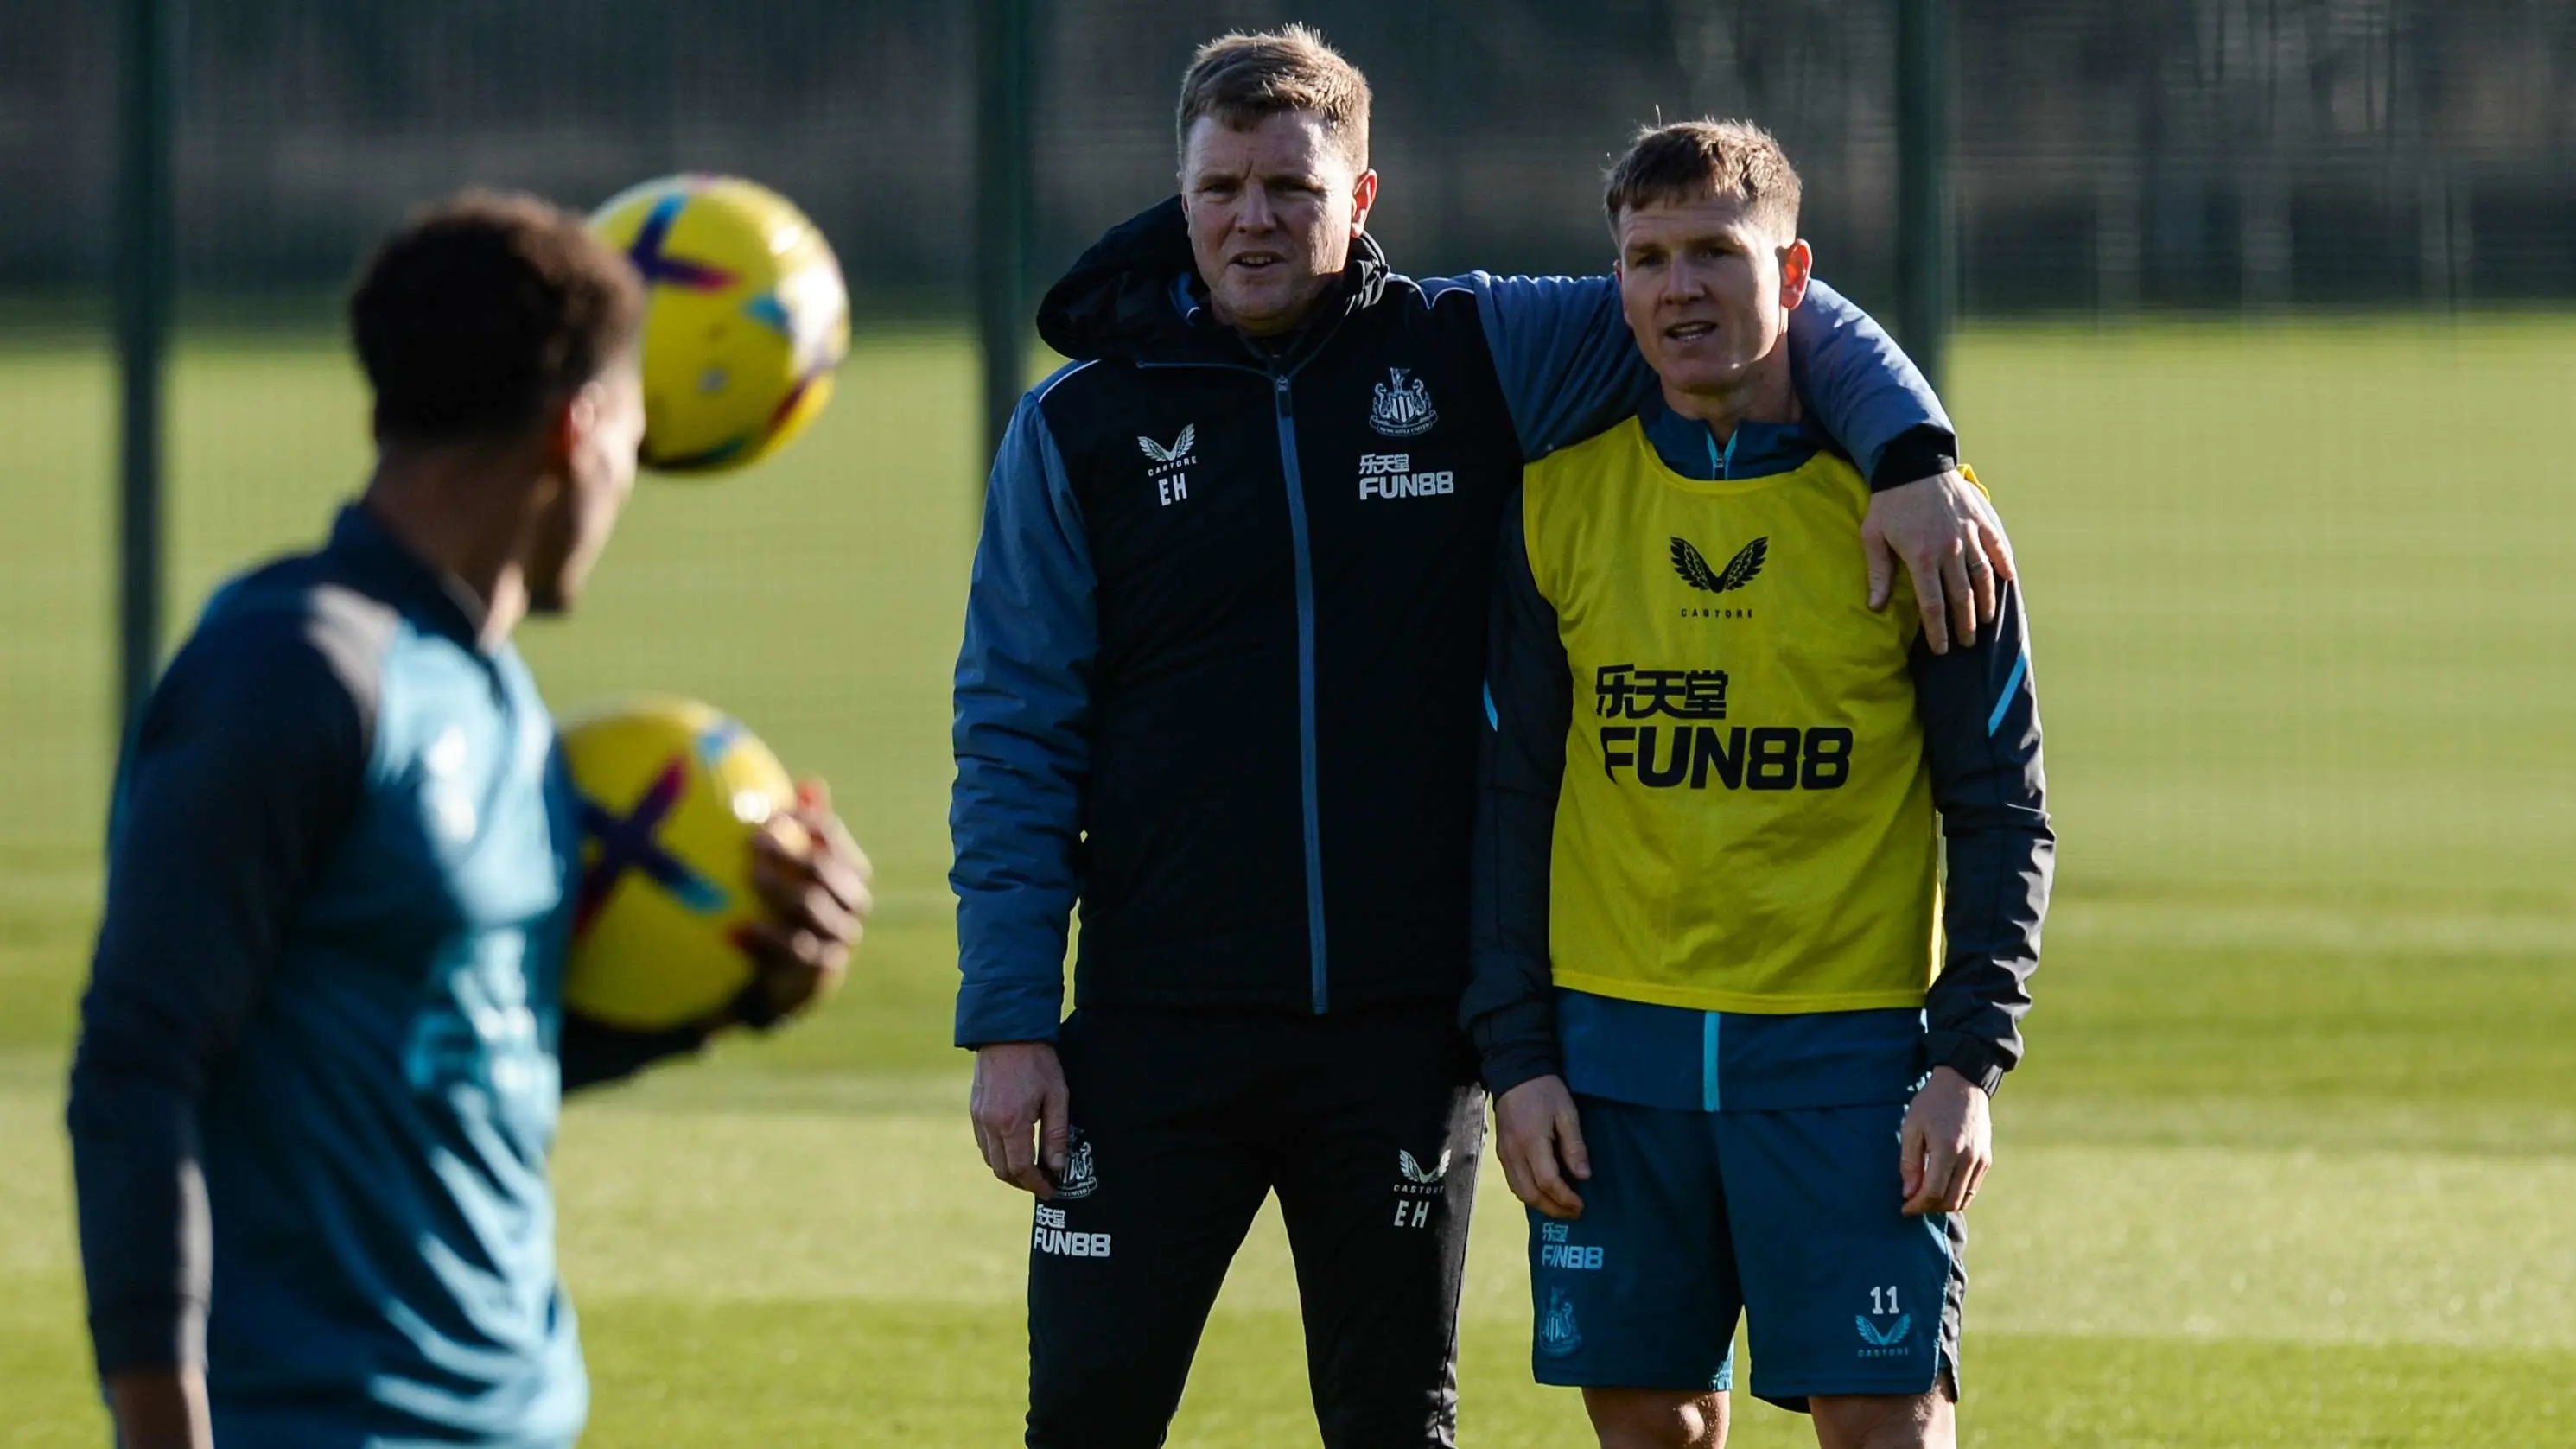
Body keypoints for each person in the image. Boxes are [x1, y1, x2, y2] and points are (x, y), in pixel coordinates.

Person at [952, 26, 2016, 1449]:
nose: (1253, 218)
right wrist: (1013, 1018)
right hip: (1150, 1028)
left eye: (1292, 186)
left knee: (1398, 1426)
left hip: (1401, 1033)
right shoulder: (1077, 427)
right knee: (1084, 1419)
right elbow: (1014, 731)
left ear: (1362, 196)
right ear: (1180, 194)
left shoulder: (1473, 349)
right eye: (1221, 189)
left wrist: (1912, 457)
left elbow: (1741, 300)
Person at [65, 192, 873, 1449]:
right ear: (578, 427)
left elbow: (473, 1057)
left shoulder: (492, 693)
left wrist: (746, 988)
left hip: (516, 1418)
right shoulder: (294, 672)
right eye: (634, 432)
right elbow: (135, 1070)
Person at [1466, 120, 2053, 1449]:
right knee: (1653, 1428)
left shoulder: (1927, 524)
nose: (1681, 289)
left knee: (1882, 1427)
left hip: (1847, 1061)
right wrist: (1519, 1062)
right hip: (1614, 1061)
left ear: (1794, 277)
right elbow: (1507, 806)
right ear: (1616, 286)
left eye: (1716, 254)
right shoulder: (1556, 509)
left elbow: (2004, 810)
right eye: (1648, 258)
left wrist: (1968, 1059)